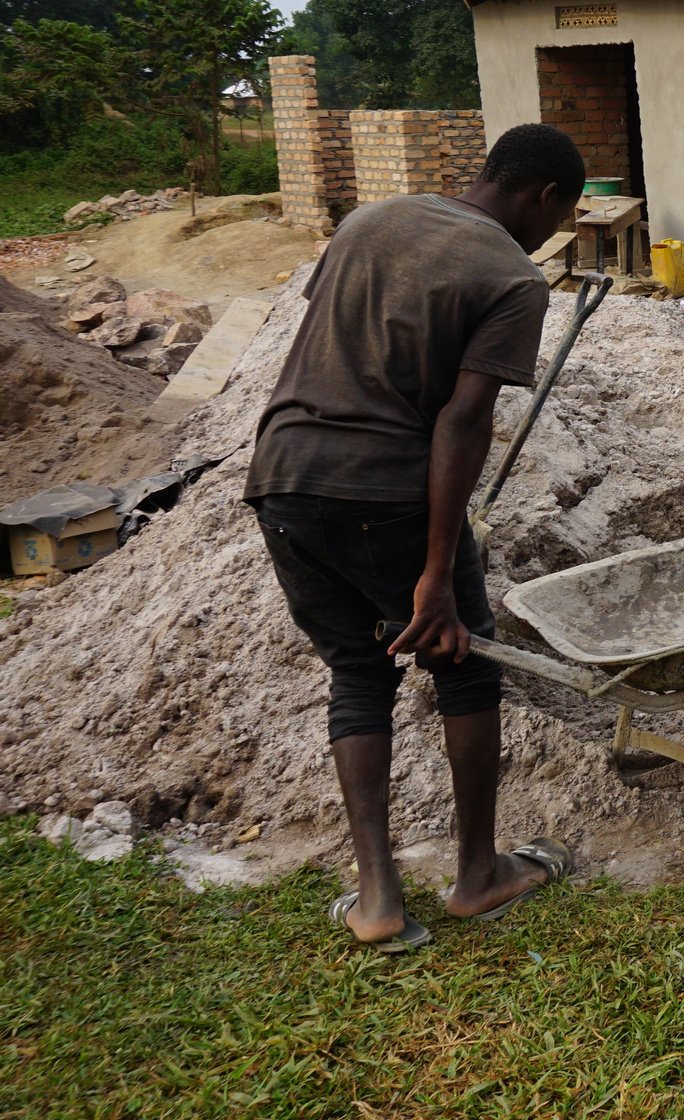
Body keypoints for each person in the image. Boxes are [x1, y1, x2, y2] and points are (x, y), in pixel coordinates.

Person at [245, 123, 587, 951]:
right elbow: (462, 421)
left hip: (281, 479)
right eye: (560, 217)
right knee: (462, 666)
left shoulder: (370, 221)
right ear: (543, 198)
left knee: (358, 673)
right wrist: (436, 572)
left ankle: (378, 901)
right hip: (383, 492)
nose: (552, 235)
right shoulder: (512, 276)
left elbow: (330, 343)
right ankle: (478, 875)